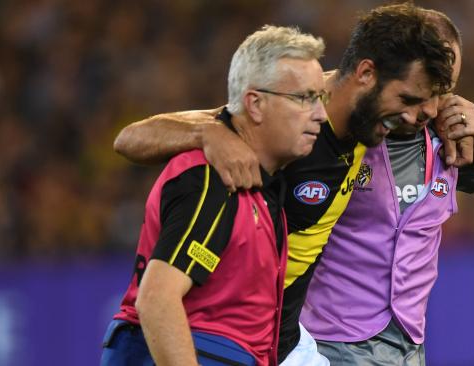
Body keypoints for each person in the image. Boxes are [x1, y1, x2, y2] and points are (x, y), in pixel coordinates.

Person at [112, 4, 456, 364]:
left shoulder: (367, 119)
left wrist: (465, 119)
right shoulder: (282, 126)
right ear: (366, 74)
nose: (420, 115)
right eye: (409, 100)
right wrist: (209, 132)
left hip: (280, 336)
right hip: (228, 332)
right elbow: (131, 139)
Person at [300, 10, 474, 365]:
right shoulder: (343, 126)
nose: (431, 105)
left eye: (443, 89)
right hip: (331, 342)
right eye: (424, 88)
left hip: (410, 349)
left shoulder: (451, 139)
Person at [100, 25, 328, 366]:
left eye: (319, 98)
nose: (320, 114)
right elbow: (157, 300)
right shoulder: (216, 179)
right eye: (304, 98)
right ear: (255, 104)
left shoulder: (260, 187)